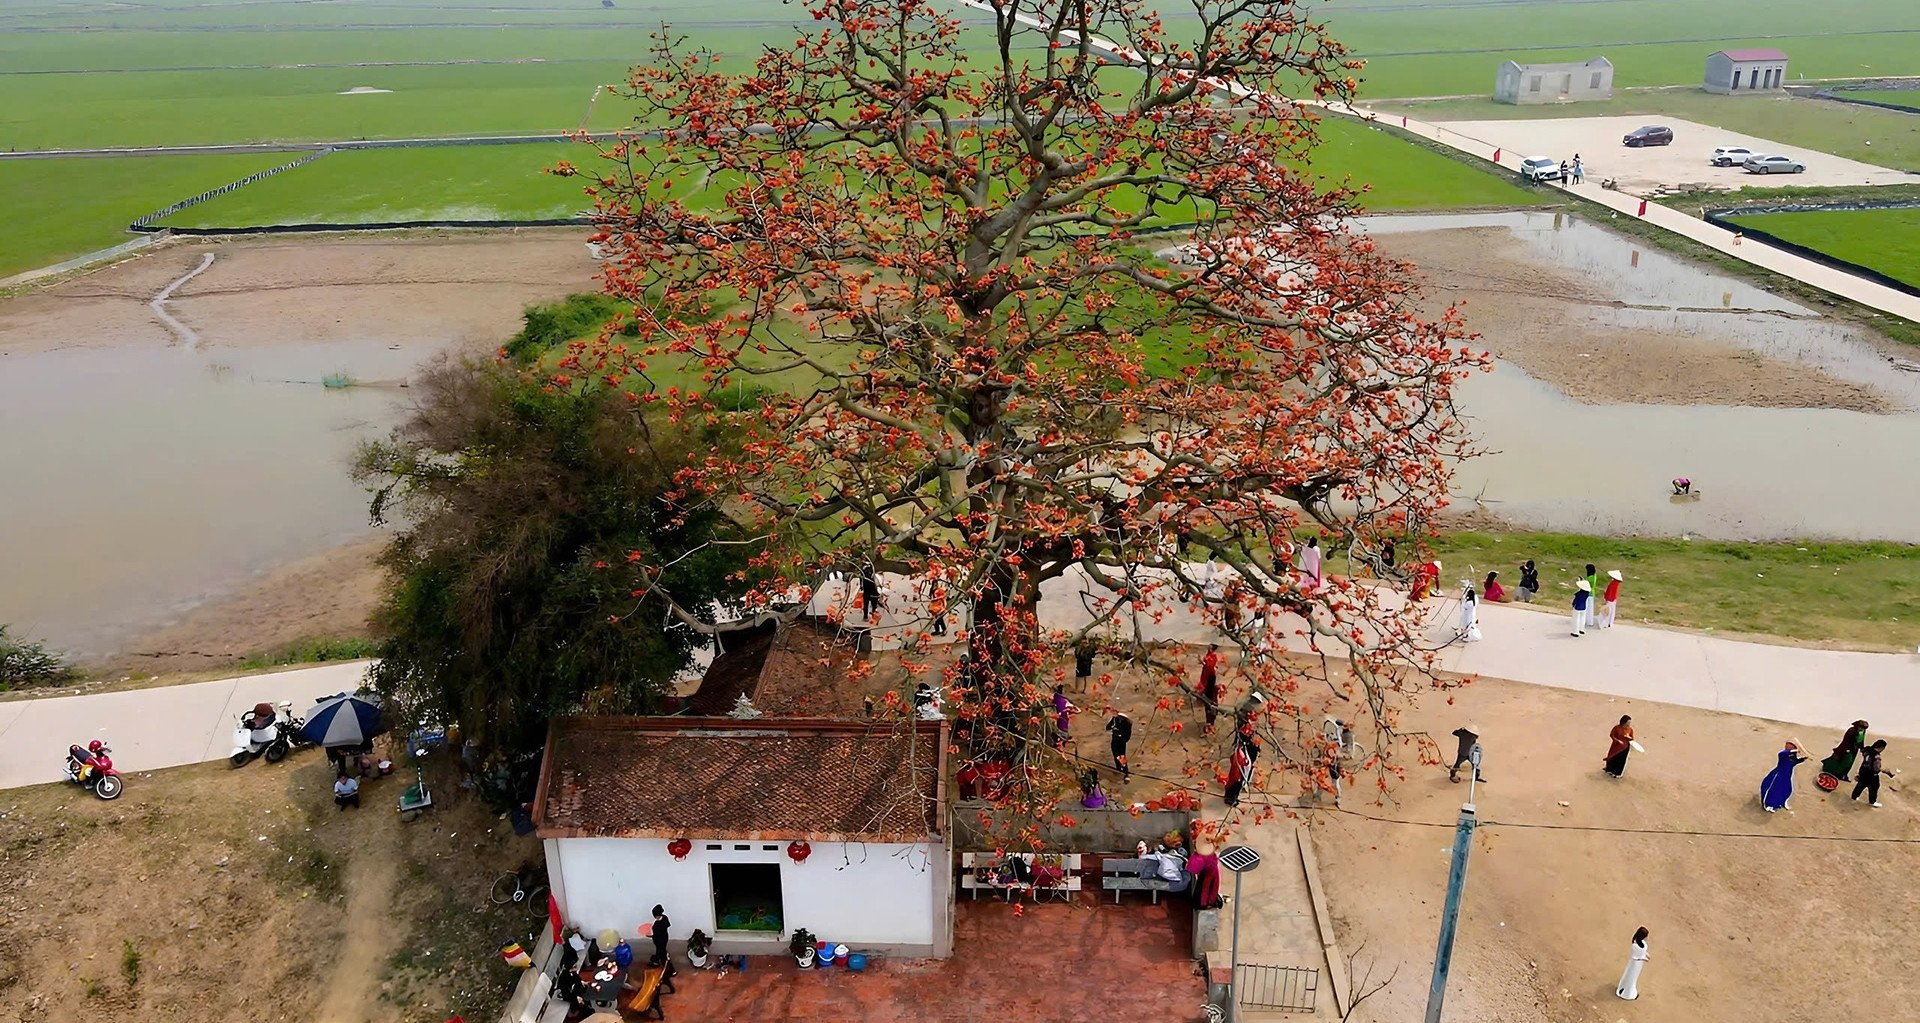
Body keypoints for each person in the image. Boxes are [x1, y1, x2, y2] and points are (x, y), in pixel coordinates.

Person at [1760, 740, 1807, 812]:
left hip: (1787, 775)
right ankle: (1768, 804)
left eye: (1789, 745)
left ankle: (1781, 802)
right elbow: (1782, 753)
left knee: (1786, 790)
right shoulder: (1783, 754)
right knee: (1771, 789)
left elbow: (1793, 763)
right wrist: (1797, 750)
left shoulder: (1792, 755)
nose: (1786, 746)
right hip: (1779, 775)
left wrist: (1802, 759)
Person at [1223, 731, 1259, 808]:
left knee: (1238, 785)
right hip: (1238, 772)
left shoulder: (1249, 747)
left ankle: (1234, 797)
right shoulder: (1240, 750)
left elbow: (1253, 756)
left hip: (1244, 769)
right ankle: (1230, 798)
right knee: (1234, 784)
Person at [1852, 739, 1890, 808]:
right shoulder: (1877, 756)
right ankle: (1872, 802)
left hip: (1863, 771)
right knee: (1874, 788)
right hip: (1871, 775)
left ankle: (1854, 796)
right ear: (1882, 748)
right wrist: (1885, 771)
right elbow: (1876, 768)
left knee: (1860, 785)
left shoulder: (1867, 751)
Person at [1616, 927, 1649, 1000]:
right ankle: (1627, 993)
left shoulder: (1642, 943)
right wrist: (1643, 958)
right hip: (1635, 964)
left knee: (1634, 977)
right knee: (1631, 977)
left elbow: (1642, 951)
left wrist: (1646, 954)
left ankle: (1627, 990)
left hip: (1639, 964)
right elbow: (1634, 957)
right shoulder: (1635, 945)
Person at [1199, 644, 1221, 729]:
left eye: (1210, 647)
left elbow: (1209, 666)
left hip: (1210, 678)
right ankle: (1209, 721)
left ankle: (1210, 722)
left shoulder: (1213, 657)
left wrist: (1203, 662)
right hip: (1207, 677)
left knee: (1210, 700)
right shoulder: (1209, 655)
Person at [1106, 710, 1133, 780]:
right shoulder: (1120, 721)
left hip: (1119, 740)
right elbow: (1108, 727)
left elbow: (1108, 728)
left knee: (1119, 755)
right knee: (1118, 755)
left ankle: (1124, 771)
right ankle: (1121, 770)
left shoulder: (1122, 722)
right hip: (1119, 740)